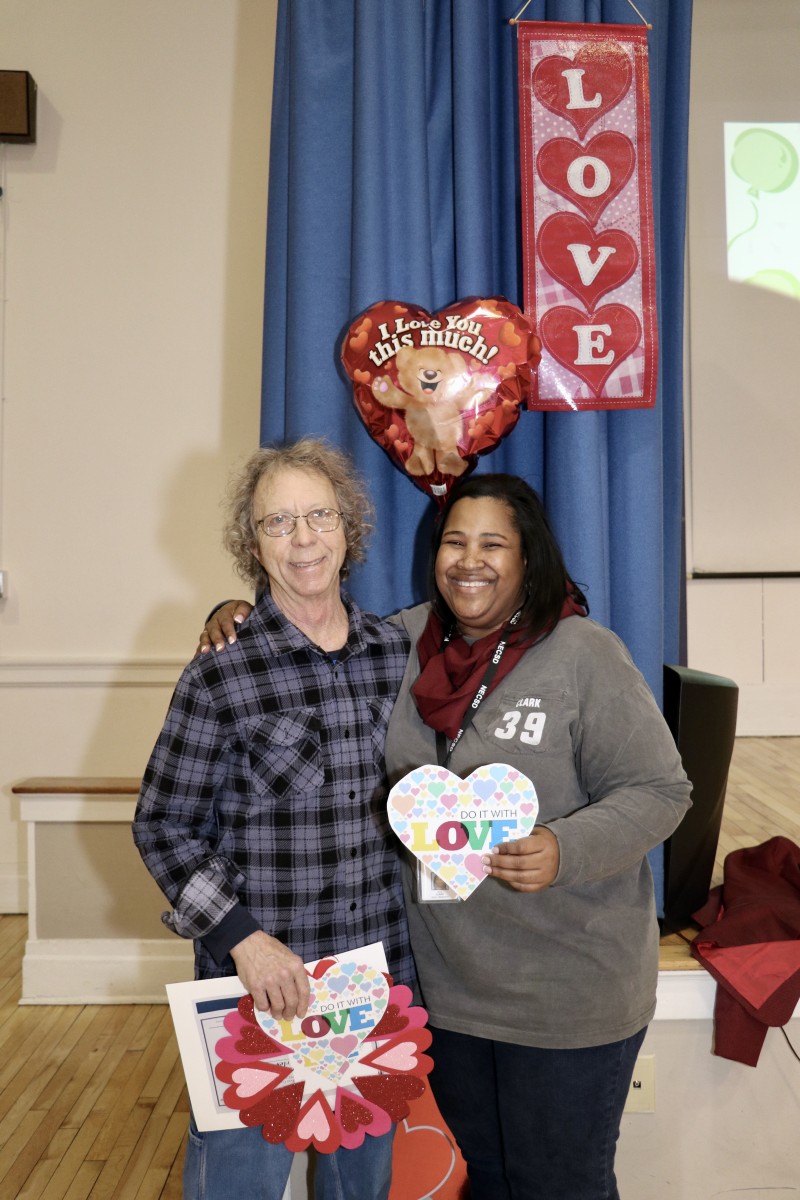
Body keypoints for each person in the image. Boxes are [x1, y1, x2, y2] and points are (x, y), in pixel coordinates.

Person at [203, 472, 693, 1200]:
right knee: (491, 1180)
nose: (470, 560)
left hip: (569, 994)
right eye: (454, 542)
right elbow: (311, 637)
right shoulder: (399, 644)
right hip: (454, 994)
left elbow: (661, 791)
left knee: (559, 1185)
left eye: (494, 543)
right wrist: (234, 613)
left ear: (530, 558)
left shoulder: (583, 654)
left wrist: (566, 848)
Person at [133, 439, 415, 1200]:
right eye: (277, 523)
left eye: (319, 516)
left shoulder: (397, 654)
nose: (302, 540)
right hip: (258, 989)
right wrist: (243, 942)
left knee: (362, 1187)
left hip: (373, 987)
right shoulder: (222, 671)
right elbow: (162, 825)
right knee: (238, 1188)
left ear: (349, 526)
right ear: (251, 544)